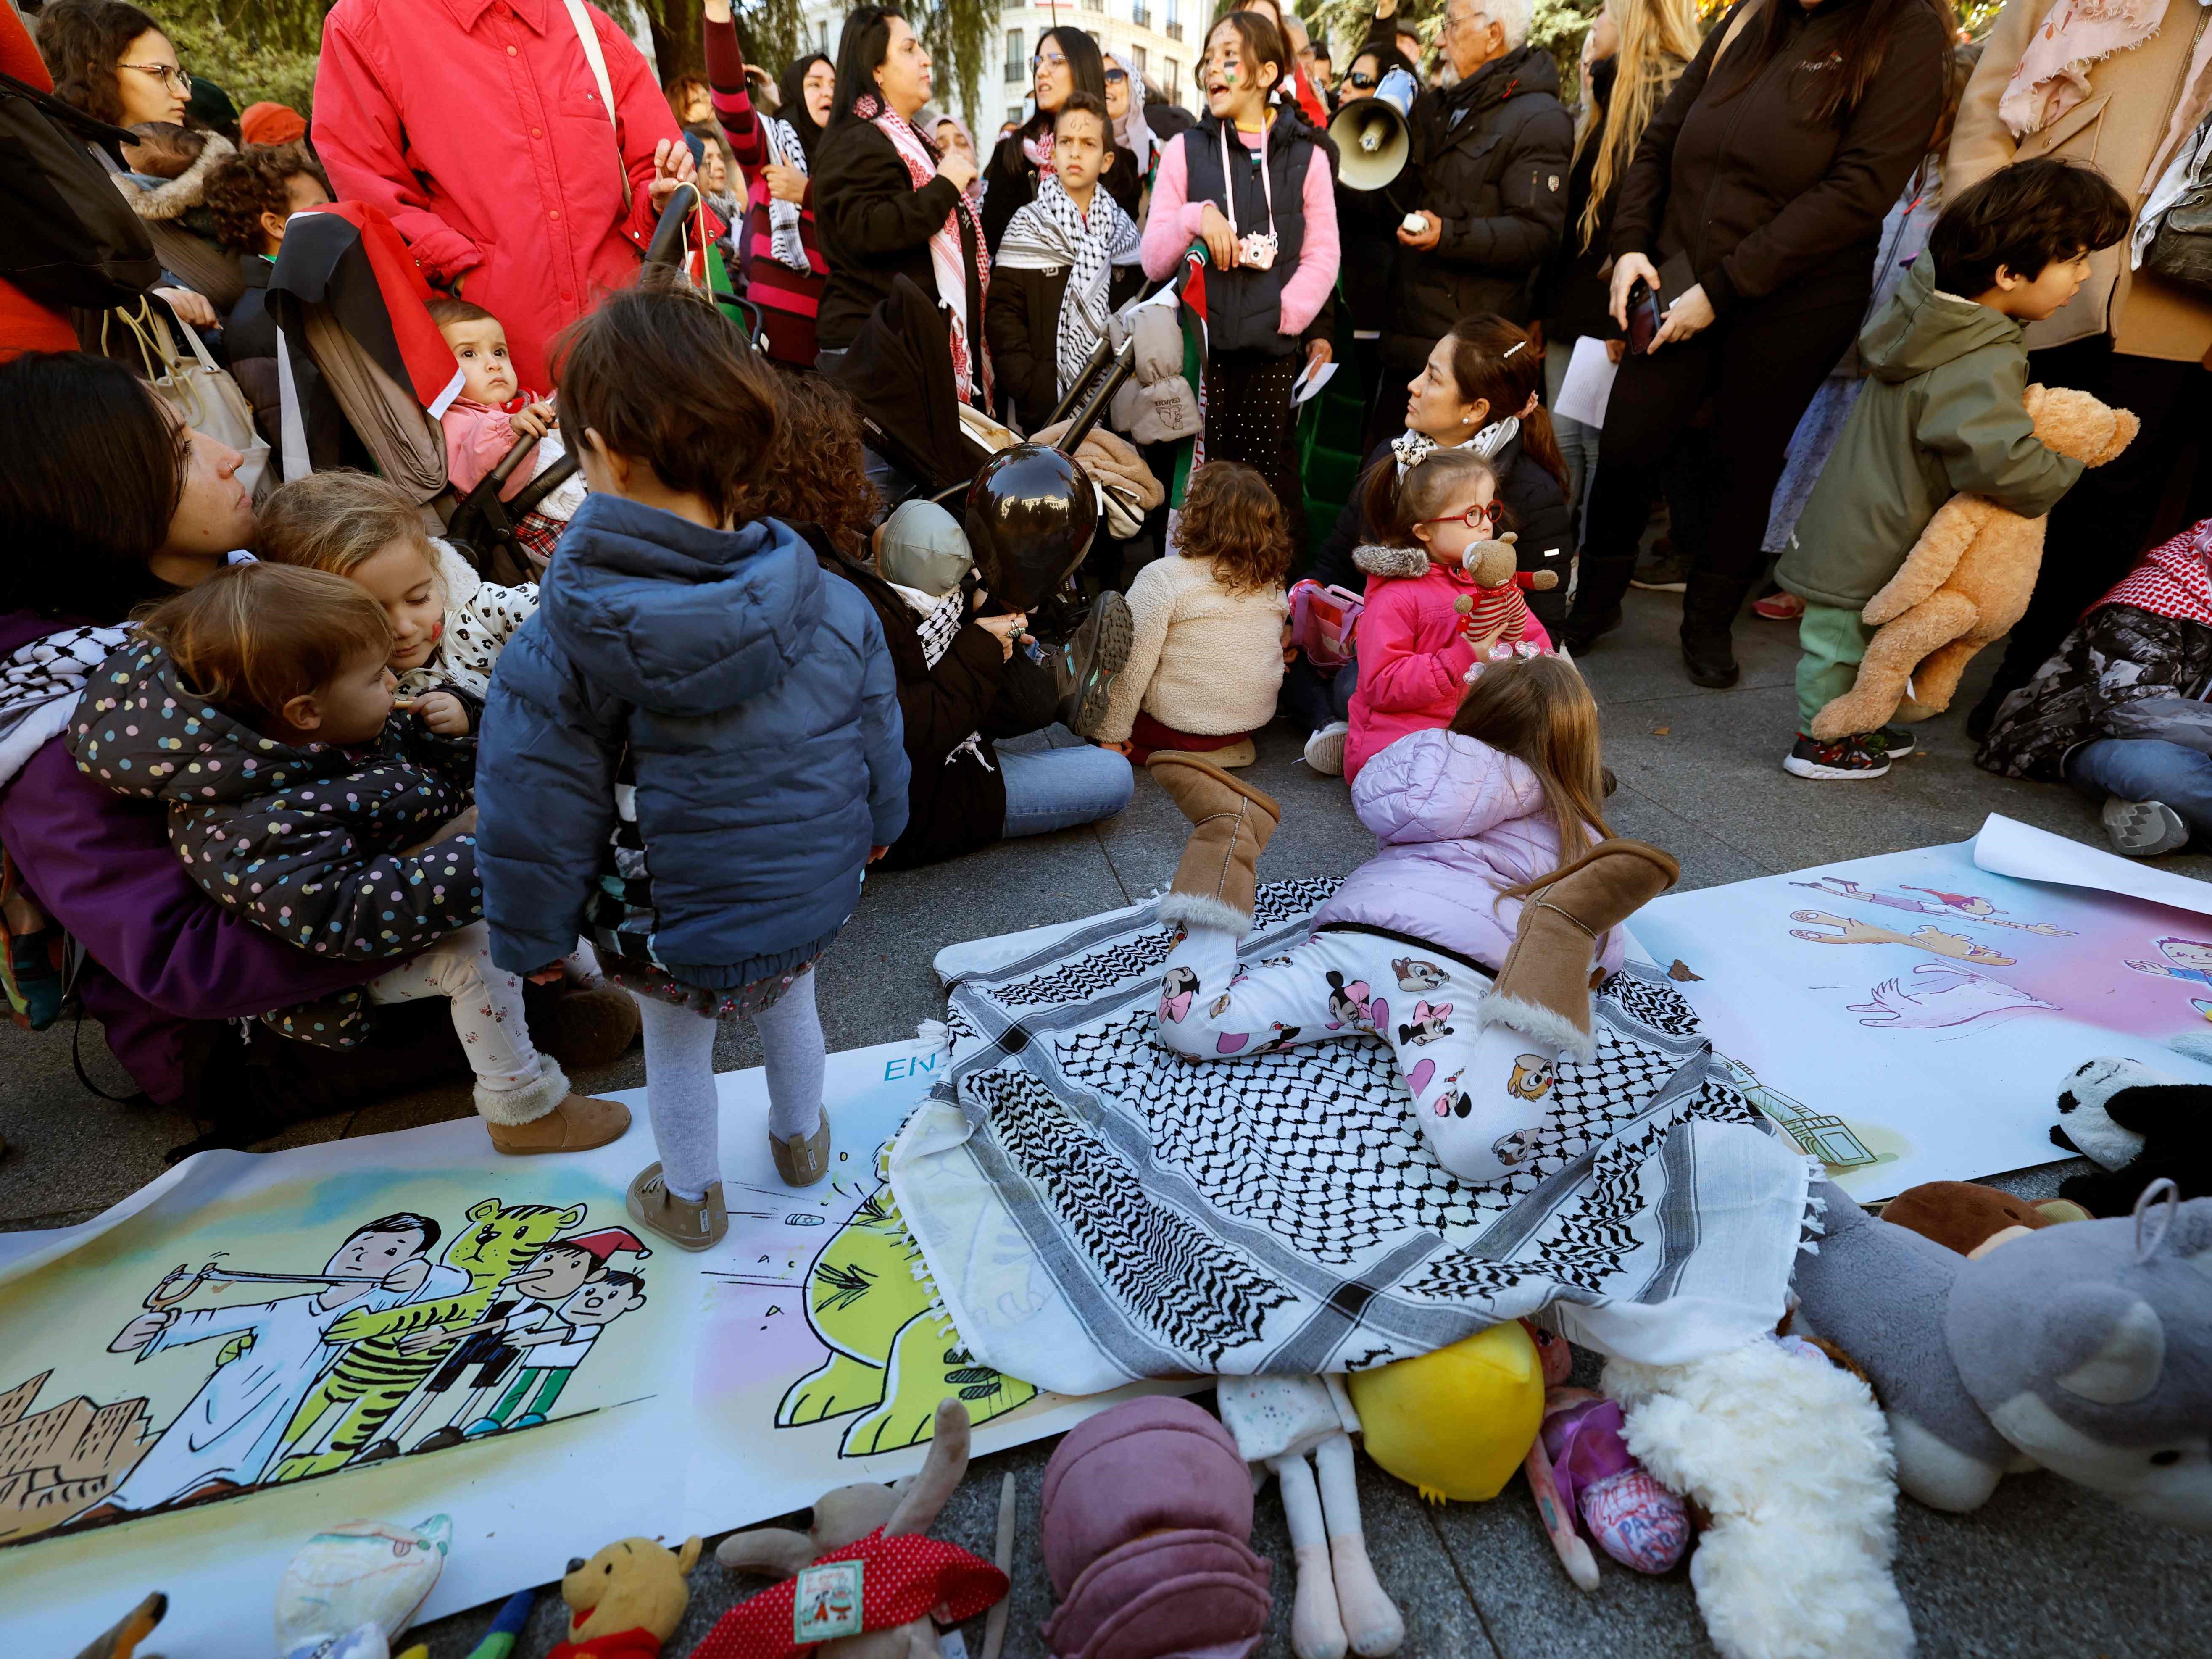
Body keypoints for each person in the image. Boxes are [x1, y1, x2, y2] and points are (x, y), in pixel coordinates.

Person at [474, 283, 909, 1251]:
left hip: (669, 926)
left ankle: (692, 1198)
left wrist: (535, 935)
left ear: (608, 458)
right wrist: (883, 822)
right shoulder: (830, 598)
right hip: (807, 894)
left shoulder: (558, 645)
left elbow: (533, 810)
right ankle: (802, 1143)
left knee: (678, 1053)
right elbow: (876, 729)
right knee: (796, 1011)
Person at [0, 352, 482, 1134]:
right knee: (535, 997)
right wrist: (445, 882)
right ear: (93, 494)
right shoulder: (64, 721)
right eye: (181, 449)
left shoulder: (242, 594)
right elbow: (183, 957)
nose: (230, 453)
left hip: (361, 915)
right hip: (237, 1039)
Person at [68, 562, 632, 1154]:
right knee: (477, 952)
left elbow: (418, 787)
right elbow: (343, 912)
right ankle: (525, 1113)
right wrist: (484, 861)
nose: (394, 682)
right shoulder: (245, 821)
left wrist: (452, 732)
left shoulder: (327, 732)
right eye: (375, 677)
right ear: (305, 712)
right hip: (329, 972)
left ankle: (597, 990)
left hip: (405, 889)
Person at [1144, 655, 1675, 1183]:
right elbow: (1607, 954)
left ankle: (1225, 835)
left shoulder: (1433, 775)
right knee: (1480, 1152)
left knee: (1190, 1024)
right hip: (1459, 975)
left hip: (1353, 939)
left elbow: (1386, 804)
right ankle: (1558, 928)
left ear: (1475, 716)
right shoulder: (1586, 840)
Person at [1564, 0, 1950, 687]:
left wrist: (1725, 287)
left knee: (1739, 460)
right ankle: (1591, 604)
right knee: (1626, 441)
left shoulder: (1906, 30)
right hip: (1680, 269)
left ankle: (1707, 625)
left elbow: (1858, 189)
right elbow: (1659, 141)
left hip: (1793, 294)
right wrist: (1628, 248)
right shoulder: (1749, 14)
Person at [1774, 158, 2130, 779]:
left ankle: (1864, 720)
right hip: (1877, 531)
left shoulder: (1935, 318)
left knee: (1862, 639)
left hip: (1872, 514)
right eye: (2074, 259)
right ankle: (1820, 739)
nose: (2085, 275)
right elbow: (1995, 455)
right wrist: (2058, 469)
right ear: (2010, 272)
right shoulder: (1977, 355)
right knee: (1839, 645)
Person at [1947, 0, 2212, 739]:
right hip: (2038, 262)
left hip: (2177, 297)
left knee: (2111, 504)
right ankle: (1907, 660)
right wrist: (1980, 233)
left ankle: (2025, 681)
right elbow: (1985, 108)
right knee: (1985, 479)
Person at [311, 0, 696, 392]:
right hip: (494, 370)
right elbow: (368, 187)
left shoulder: (581, 21)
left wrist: (664, 200)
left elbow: (658, 163)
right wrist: (464, 273)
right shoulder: (366, 23)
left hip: (628, 346)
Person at [1754, 42, 1979, 618]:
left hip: (1889, 359)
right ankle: (1776, 558)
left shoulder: (1956, 199)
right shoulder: (1885, 175)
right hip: (1838, 341)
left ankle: (1810, 582)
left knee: (1844, 474)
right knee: (1798, 456)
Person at [1300, 316, 1574, 773]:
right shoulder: (1392, 458)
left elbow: (1540, 626)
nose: (1412, 385)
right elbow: (1337, 559)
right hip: (1400, 655)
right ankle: (1338, 725)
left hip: (1485, 662)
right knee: (1333, 675)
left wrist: (1491, 653)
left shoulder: (1529, 489)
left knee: (1552, 694)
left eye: (1432, 377)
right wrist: (1300, 614)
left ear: (1475, 408)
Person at [1142, 11, 1339, 548]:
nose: (1213, 69)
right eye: (1209, 58)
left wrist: (1286, 314)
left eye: (1229, 57)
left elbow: (1323, 252)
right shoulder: (1185, 148)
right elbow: (1153, 257)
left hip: (1270, 352)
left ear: (1268, 72)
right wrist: (1194, 217)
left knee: (1259, 496)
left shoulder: (1310, 154)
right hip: (1198, 354)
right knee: (1198, 494)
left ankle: (1261, 616)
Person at [1535, 0, 1698, 538]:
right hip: (1573, 306)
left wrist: (1619, 319)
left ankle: (1576, 574)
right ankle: (1555, 572)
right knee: (1566, 446)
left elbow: (1648, 220)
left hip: (1613, 309)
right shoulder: (1608, 94)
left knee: (1592, 448)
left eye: (1605, 10)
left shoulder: (1665, 95)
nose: (1594, 23)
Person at [1380, 0, 1572, 452]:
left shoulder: (1539, 119)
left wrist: (1447, 235)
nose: (1439, 39)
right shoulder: (1445, 106)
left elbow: (1535, 234)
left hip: (1461, 364)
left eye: (1450, 25)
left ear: (1493, 35)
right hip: (1409, 340)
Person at [1976, 517, 2212, 858]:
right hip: (2090, 736)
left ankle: (2175, 825)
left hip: (2198, 742)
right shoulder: (2153, 597)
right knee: (2155, 770)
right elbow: (2132, 710)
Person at [812, 6, 990, 404]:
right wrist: (945, 185)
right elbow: (868, 229)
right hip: (875, 358)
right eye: (909, 49)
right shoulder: (858, 138)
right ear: (876, 68)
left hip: (902, 355)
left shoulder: (910, 141)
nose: (926, 58)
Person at [256, 470, 540, 720]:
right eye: (371, 614)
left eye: (418, 599)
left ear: (435, 571)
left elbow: (549, 611)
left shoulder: (481, 611)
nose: (404, 628)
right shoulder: (362, 694)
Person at [1347, 449, 1551, 786]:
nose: (1487, 523)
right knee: (1481, 792)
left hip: (1471, 734)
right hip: (1401, 749)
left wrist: (1548, 674)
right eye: (1472, 514)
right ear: (1424, 531)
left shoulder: (1488, 580)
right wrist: (1462, 657)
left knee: (1510, 774)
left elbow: (1530, 635)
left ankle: (1544, 777)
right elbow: (1382, 684)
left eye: (1489, 510)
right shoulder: (1396, 596)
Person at [38, 0, 233, 323]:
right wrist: (149, 298)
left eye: (180, 76)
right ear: (96, 74)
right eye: (161, 74)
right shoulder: (65, 172)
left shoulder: (207, 152)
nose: (184, 93)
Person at [1094, 462, 1292, 767]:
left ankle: (1176, 757)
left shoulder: (1164, 577)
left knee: (1088, 712)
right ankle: (1219, 752)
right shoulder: (1271, 582)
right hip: (1248, 724)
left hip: (1179, 726)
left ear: (1196, 515)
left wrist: (1109, 733)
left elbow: (1130, 664)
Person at [987, 92, 1144, 432]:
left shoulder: (1124, 233)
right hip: (1041, 413)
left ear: (1106, 160)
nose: (1075, 152)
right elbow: (1003, 316)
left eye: (1088, 144)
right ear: (1052, 152)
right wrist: (1031, 385)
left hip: (1113, 411)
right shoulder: (1027, 224)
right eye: (1066, 141)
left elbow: (1138, 315)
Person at [704, 3, 832, 368]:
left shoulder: (849, 157)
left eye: (835, 85)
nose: (827, 93)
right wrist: (717, 14)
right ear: (794, 93)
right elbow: (729, 101)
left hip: (836, 345)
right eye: (815, 84)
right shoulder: (769, 147)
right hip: (772, 347)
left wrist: (808, 189)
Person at [424, 298, 572, 566]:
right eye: (469, 353)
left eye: (499, 352)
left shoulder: (521, 402)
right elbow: (479, 472)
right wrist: (511, 430)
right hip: (542, 524)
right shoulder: (458, 419)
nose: (494, 364)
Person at [978, 27, 1140, 255]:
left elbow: (1122, 250)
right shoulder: (1013, 149)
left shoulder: (1121, 162)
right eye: (1038, 62)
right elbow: (993, 239)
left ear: (1083, 67)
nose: (1041, 71)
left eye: (1055, 61)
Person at [1330, 42, 1420, 429]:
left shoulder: (1400, 161)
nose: (1346, 87)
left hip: (1365, 315)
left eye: (1361, 80)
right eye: (1347, 77)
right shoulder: (1329, 139)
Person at [200, 142, 332, 361]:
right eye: (321, 208)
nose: (339, 214)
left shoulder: (337, 275)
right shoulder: (255, 329)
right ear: (276, 226)